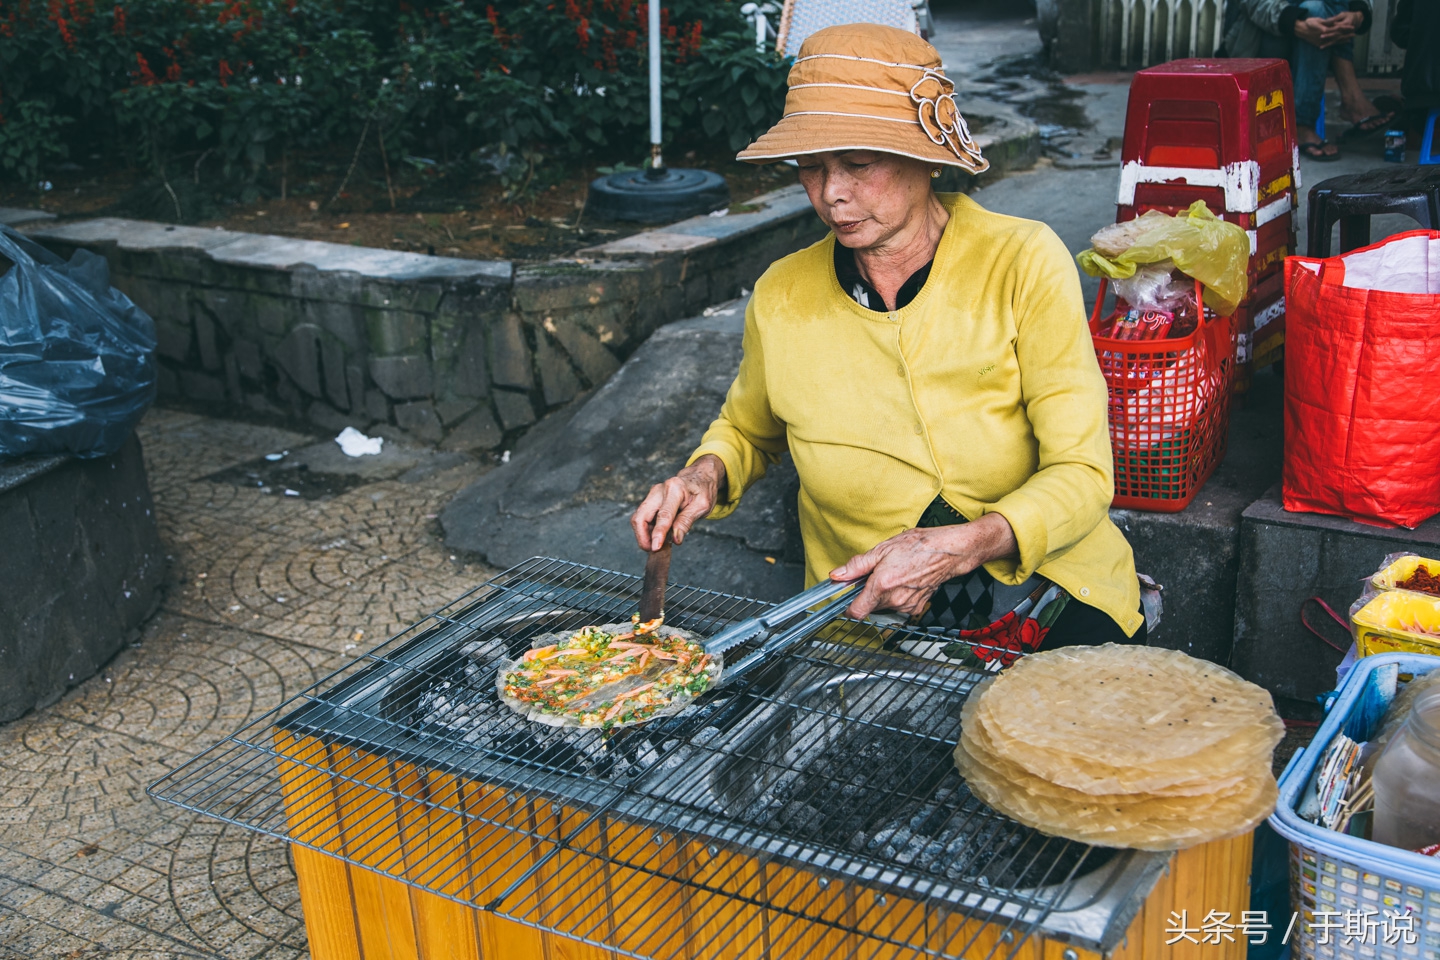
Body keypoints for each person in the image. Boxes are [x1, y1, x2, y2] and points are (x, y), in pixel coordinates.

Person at [630, 23, 1147, 663]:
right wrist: (703, 473)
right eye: (811, 170)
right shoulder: (782, 294)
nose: (831, 194)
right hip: (868, 621)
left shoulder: (1021, 260)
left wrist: (965, 543)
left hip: (1045, 595)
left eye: (858, 165)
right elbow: (748, 428)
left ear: (926, 158)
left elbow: (1085, 472)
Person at [1221, 0, 1393, 160]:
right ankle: (1337, 103)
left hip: (1315, 27)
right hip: (1260, 35)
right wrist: (1295, 24)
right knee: (1316, 12)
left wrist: (1357, 15)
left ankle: (1311, 119)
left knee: (1316, 9)